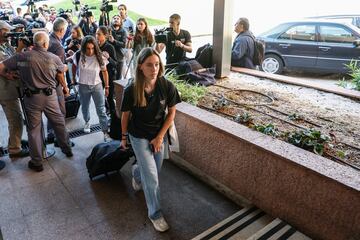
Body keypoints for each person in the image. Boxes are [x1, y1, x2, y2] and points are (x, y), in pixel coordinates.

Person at [121, 47, 181, 232]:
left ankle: (137, 172)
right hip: (138, 136)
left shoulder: (166, 86)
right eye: (149, 65)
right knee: (152, 178)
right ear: (140, 67)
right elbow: (125, 116)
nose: (154, 68)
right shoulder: (132, 90)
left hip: (158, 135)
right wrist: (123, 137)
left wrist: (159, 137)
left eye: (157, 64)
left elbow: (172, 113)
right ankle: (155, 214)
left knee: (155, 168)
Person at [0, 31, 73, 172]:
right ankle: (67, 149)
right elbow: (62, 69)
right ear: (46, 44)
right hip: (50, 97)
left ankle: (37, 162)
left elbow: (1, 66)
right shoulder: (53, 58)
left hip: (31, 98)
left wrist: (8, 75)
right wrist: (63, 66)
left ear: (34, 43)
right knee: (59, 124)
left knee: (33, 130)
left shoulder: (22, 57)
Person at [72, 36, 111, 142]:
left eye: (92, 48)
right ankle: (87, 122)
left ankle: (105, 132)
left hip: (97, 85)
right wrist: (73, 79)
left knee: (101, 110)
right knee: (85, 107)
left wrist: (106, 87)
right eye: (88, 48)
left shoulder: (100, 57)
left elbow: (104, 72)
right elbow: (74, 66)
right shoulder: (78, 55)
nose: (90, 51)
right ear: (84, 47)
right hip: (83, 85)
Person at [0, 20, 29, 158]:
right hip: (5, 91)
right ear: (0, 32)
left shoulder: (5, 45)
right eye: (7, 31)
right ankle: (14, 149)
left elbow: (17, 61)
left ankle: (14, 140)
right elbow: (8, 65)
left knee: (15, 118)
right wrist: (19, 48)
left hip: (11, 86)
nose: (9, 33)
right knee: (16, 118)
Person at [47, 17, 70, 145]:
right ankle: (61, 140)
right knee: (60, 111)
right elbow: (59, 72)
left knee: (51, 110)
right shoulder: (58, 47)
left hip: (44, 83)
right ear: (61, 29)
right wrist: (65, 88)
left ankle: (50, 134)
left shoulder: (46, 39)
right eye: (65, 30)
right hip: (55, 84)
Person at [96, 26, 117, 115]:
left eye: (99, 34)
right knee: (100, 97)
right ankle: (107, 110)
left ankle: (113, 115)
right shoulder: (94, 46)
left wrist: (108, 58)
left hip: (109, 75)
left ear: (105, 35)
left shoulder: (110, 47)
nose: (96, 36)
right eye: (96, 33)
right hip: (98, 75)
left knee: (109, 97)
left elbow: (116, 63)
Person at [118, 4, 134, 78]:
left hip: (128, 47)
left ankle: (133, 79)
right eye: (119, 9)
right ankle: (125, 80)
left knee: (131, 64)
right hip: (120, 47)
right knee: (123, 65)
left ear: (125, 10)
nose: (121, 11)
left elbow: (134, 33)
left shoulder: (130, 21)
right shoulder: (117, 21)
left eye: (122, 9)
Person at [108, 15, 127, 80]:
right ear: (111, 21)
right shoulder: (108, 30)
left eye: (118, 19)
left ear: (121, 21)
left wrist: (114, 41)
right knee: (110, 77)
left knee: (118, 78)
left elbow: (124, 44)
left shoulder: (123, 31)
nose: (116, 20)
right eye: (114, 18)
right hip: (110, 58)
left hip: (119, 57)